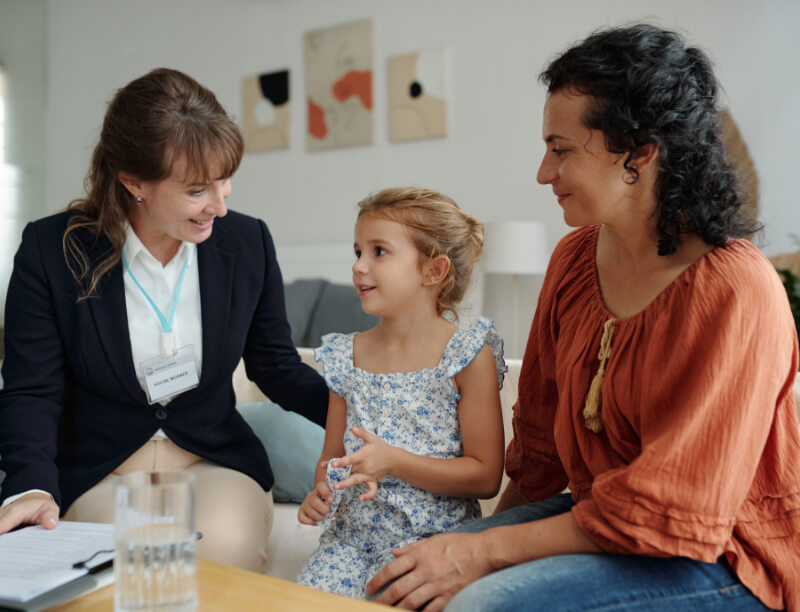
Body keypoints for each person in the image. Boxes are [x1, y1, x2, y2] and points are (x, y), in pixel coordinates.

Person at [366, 24, 800, 612]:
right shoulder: (573, 260)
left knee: (481, 603)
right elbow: (540, 446)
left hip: (720, 551)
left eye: (561, 150)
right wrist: (465, 549)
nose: (544, 173)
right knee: (405, 576)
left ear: (640, 155)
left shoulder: (736, 289)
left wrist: (485, 558)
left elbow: (678, 509)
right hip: (607, 521)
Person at [0, 68, 328, 572]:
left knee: (223, 555)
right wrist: (29, 486)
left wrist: (359, 419)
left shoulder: (247, 243)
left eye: (225, 182)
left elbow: (277, 365)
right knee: (140, 567)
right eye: (198, 190)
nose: (219, 206)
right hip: (102, 468)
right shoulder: (52, 250)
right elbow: (31, 389)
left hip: (213, 459)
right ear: (134, 183)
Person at [294, 187, 507, 598]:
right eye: (357, 251)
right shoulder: (344, 357)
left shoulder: (467, 356)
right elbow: (331, 457)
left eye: (378, 252)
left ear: (433, 271)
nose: (358, 266)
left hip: (434, 545)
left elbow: (485, 476)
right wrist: (320, 491)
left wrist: (393, 462)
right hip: (350, 544)